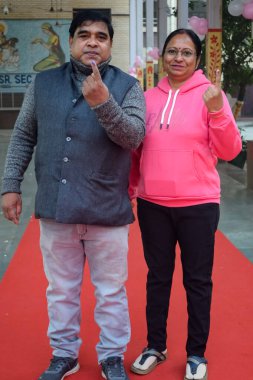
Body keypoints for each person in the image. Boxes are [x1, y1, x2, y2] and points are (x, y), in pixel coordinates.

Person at [1, 10, 145, 380]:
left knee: (110, 291)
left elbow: (133, 137)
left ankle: (112, 355)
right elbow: (22, 137)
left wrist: (102, 102)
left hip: (106, 209)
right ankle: (64, 353)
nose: (92, 42)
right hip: (56, 208)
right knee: (61, 289)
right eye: (84, 35)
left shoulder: (128, 87)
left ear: (111, 44)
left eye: (101, 36)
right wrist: (10, 185)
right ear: (70, 42)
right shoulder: (43, 83)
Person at [129, 29, 242, 380]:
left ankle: (196, 353)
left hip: (198, 204)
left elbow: (230, 151)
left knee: (197, 281)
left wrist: (218, 112)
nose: (178, 58)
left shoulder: (212, 96)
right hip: (153, 205)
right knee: (157, 278)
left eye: (187, 52)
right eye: (172, 51)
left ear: (197, 59)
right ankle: (155, 346)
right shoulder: (146, 97)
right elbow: (135, 150)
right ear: (163, 56)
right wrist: (132, 189)